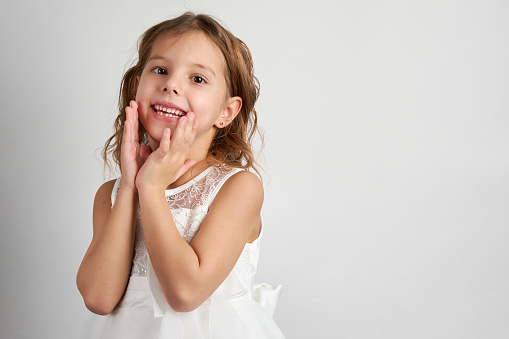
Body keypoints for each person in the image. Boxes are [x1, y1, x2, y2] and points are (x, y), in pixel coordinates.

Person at [76, 12, 284, 338]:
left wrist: (153, 187)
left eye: (197, 79)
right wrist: (131, 187)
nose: (171, 84)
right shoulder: (112, 194)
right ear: (136, 85)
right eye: (160, 70)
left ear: (226, 112)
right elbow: (98, 298)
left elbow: (184, 294)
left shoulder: (239, 188)